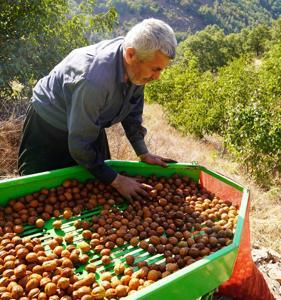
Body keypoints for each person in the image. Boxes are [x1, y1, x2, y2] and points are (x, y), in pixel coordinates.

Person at [18, 18, 177, 200]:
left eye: (161, 70)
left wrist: (142, 152)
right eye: (155, 69)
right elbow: (79, 145)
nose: (157, 77)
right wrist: (118, 181)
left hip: (89, 121)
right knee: (36, 194)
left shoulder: (138, 66)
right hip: (48, 125)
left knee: (96, 190)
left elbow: (132, 111)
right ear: (131, 55)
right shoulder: (94, 80)